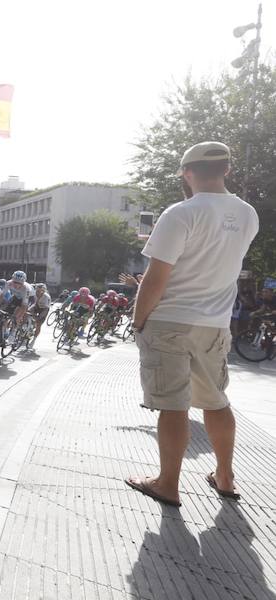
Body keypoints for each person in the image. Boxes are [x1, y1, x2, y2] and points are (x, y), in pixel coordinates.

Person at [126, 141, 258, 507]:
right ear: (227, 169)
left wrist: (139, 321)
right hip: (215, 324)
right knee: (216, 402)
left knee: (173, 404)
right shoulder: (248, 215)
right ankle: (225, 476)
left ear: (187, 173)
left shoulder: (180, 213)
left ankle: (168, 483)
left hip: (170, 320)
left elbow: (156, 278)